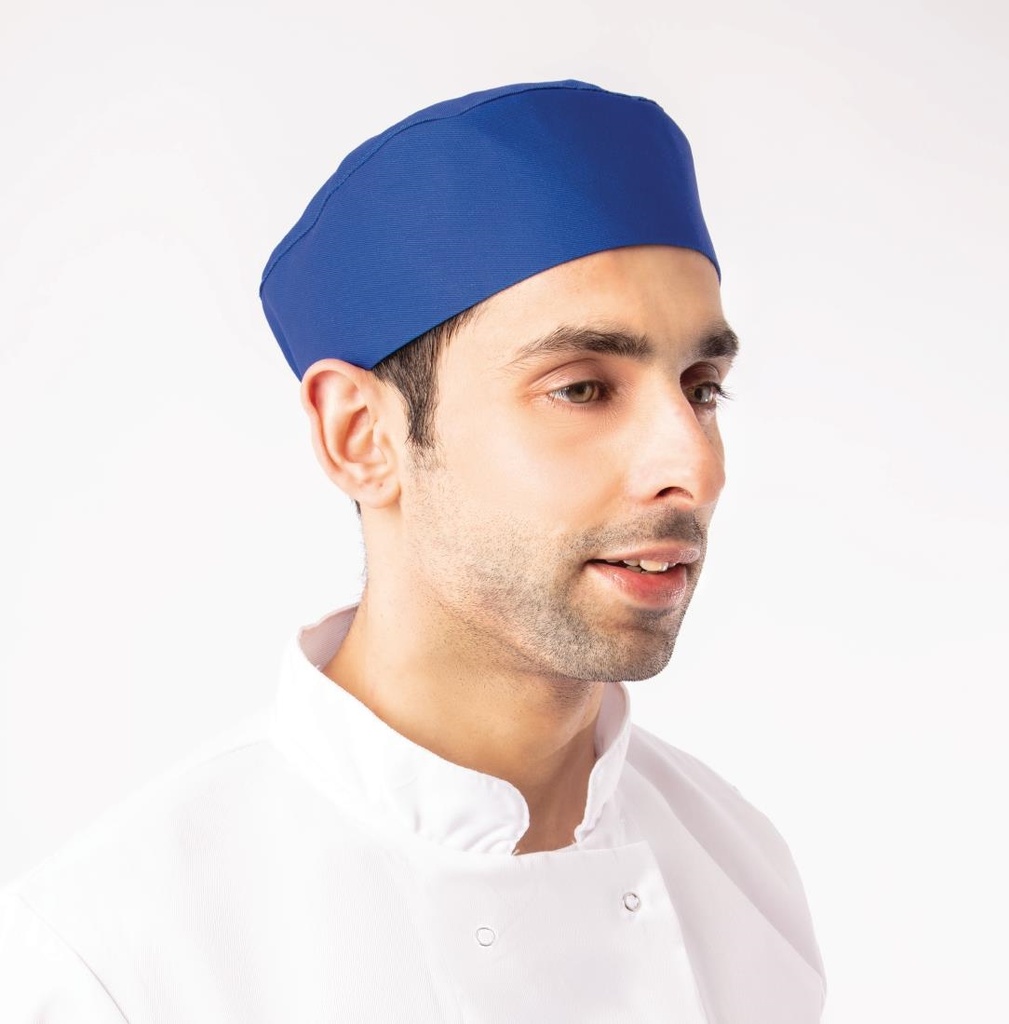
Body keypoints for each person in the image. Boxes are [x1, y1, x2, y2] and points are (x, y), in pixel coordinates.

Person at [0, 80, 825, 1022]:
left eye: (701, 386)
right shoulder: (115, 964)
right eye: (583, 388)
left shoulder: (740, 871)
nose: (695, 468)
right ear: (362, 436)